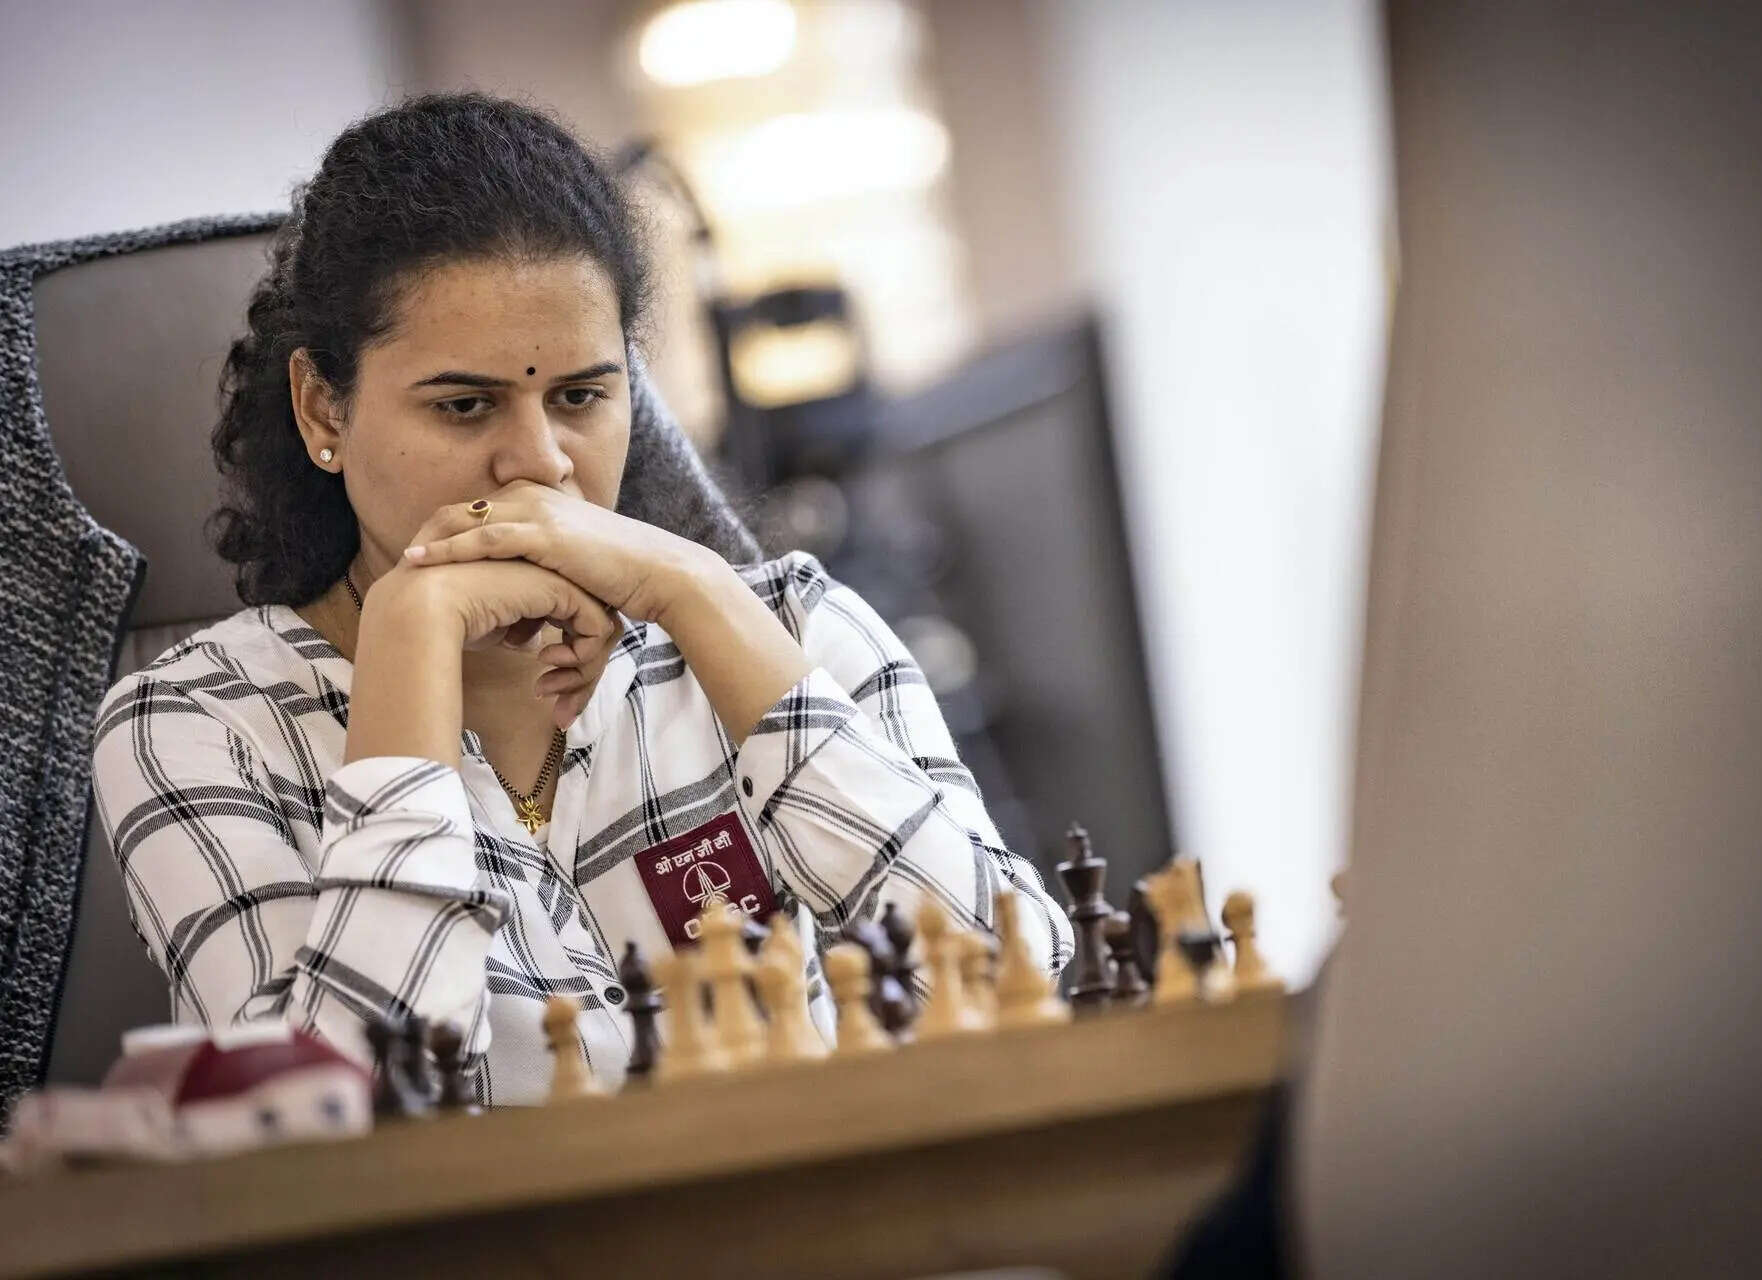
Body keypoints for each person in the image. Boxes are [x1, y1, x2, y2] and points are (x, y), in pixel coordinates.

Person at [90, 93, 1072, 1105]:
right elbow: (324, 1135)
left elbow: (1013, 980)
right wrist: (411, 644)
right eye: (465, 404)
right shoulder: (196, 724)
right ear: (321, 406)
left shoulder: (785, 626)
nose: (539, 461)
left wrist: (692, 587)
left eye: (580, 397)